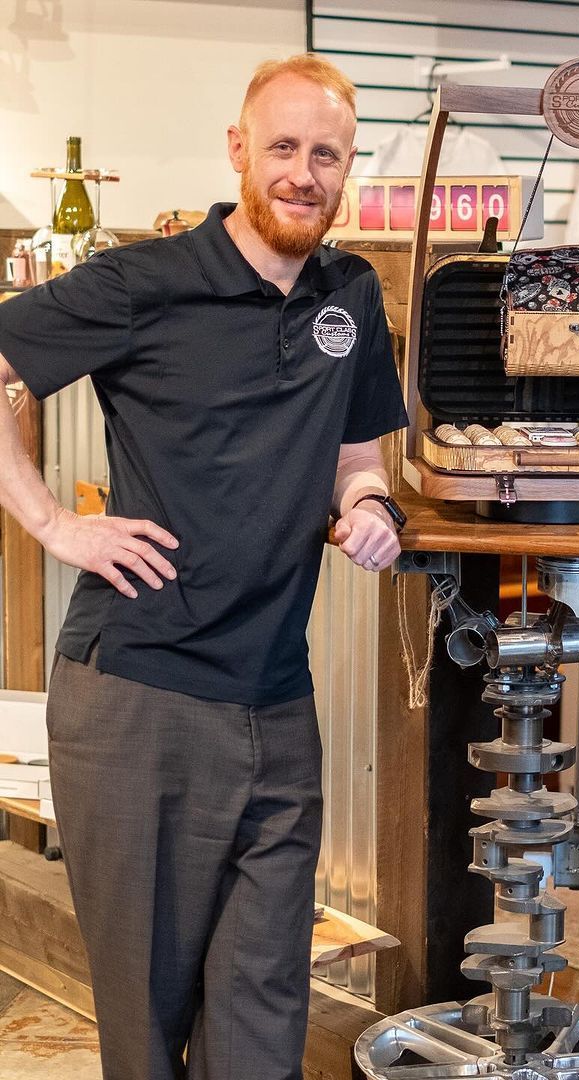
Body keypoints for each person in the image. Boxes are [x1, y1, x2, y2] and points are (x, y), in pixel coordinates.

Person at [0, 55, 409, 1079]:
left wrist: (365, 502)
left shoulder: (350, 294)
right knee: (145, 1028)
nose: (303, 173)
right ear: (239, 149)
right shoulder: (145, 283)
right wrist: (53, 523)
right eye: (283, 148)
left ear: (348, 164)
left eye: (327, 154)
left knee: (264, 1013)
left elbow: (360, 451)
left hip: (278, 700)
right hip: (141, 697)